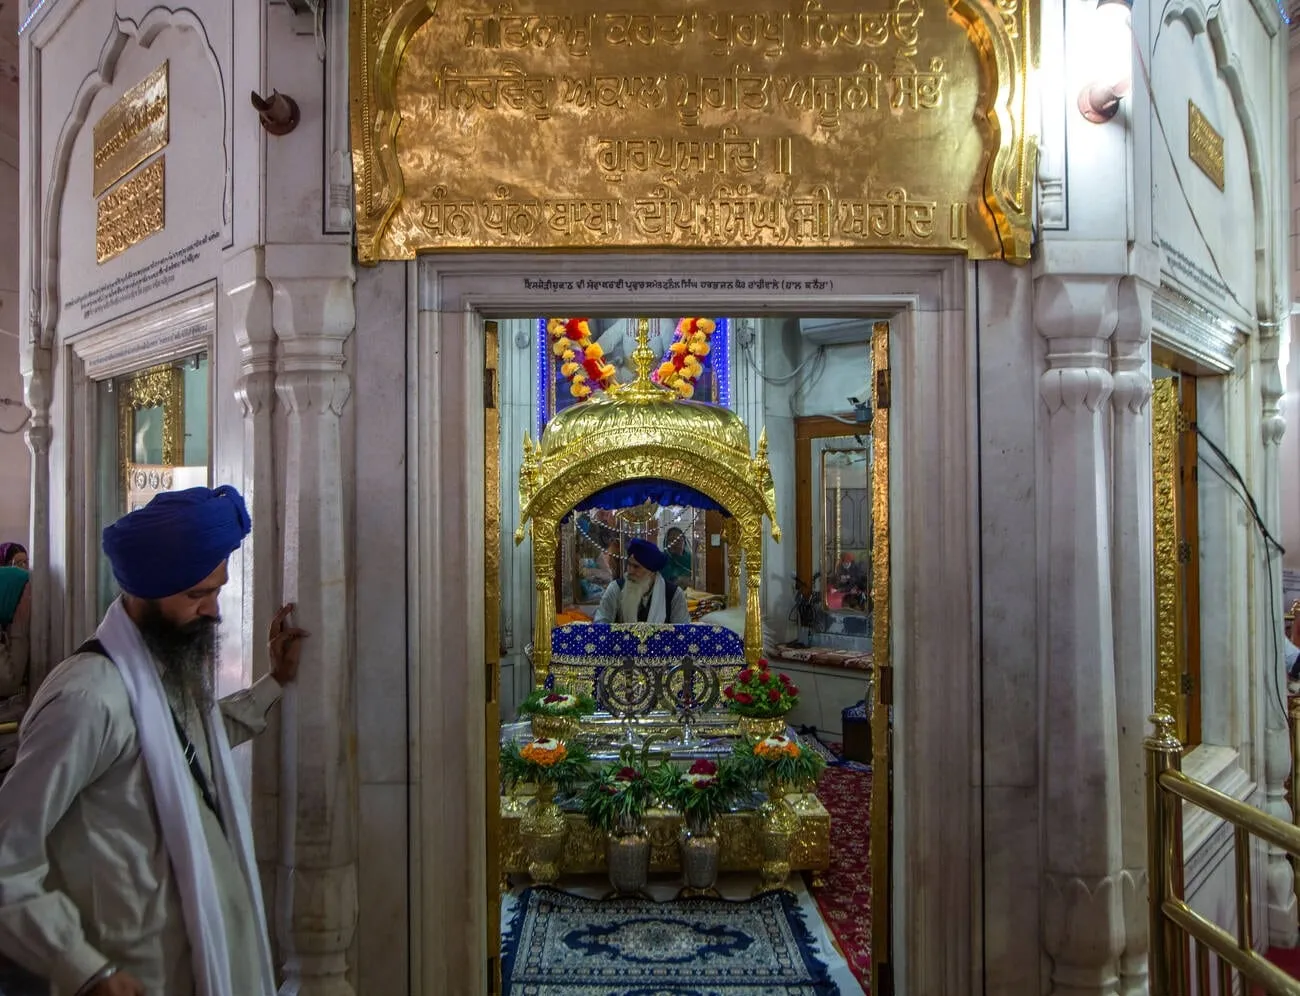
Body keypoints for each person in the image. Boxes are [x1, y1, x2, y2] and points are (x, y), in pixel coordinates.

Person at [0, 485, 307, 996]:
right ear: (145, 591)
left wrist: (273, 684)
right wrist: (83, 968)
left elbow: (192, 745)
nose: (213, 610)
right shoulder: (88, 697)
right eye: (196, 595)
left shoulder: (160, 674)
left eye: (216, 591)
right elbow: (8, 858)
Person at [593, 538, 690, 625]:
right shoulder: (616, 588)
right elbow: (600, 625)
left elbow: (683, 633)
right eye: (629, 564)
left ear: (652, 572)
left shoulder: (674, 595)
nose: (630, 571)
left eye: (636, 567)